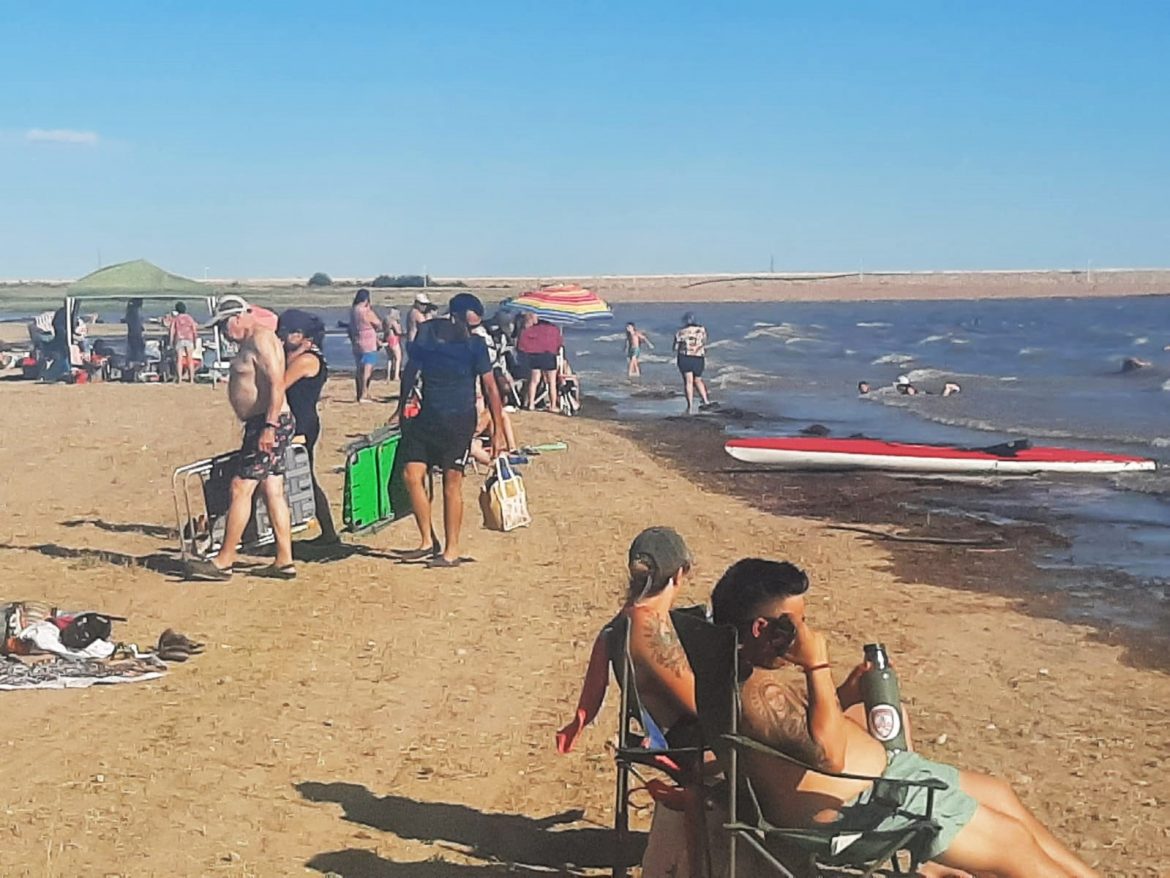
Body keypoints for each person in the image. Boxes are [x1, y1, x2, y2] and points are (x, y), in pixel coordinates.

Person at [709, 559, 1100, 878]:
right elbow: (829, 757)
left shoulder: (740, 672)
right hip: (865, 810)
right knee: (1012, 842)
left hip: (888, 781)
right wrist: (816, 665)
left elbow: (796, 738)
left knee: (999, 793)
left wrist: (844, 695)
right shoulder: (759, 693)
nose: (805, 633)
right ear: (761, 628)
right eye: (794, 625)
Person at [390, 292, 506, 568]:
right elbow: (410, 371)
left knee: (451, 484)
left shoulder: (475, 345)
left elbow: (491, 386)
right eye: (472, 318)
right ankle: (427, 541)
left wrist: (497, 430)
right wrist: (400, 407)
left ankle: (451, 550)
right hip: (427, 417)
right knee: (411, 475)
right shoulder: (429, 334)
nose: (473, 324)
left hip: (459, 420)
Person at [187, 298, 296, 581]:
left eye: (224, 325)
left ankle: (225, 560)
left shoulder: (261, 339)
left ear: (238, 317)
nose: (223, 332)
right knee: (272, 489)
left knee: (240, 488)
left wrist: (269, 426)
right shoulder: (251, 343)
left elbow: (276, 383)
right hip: (263, 422)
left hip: (269, 422)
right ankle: (284, 560)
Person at [278, 308, 339, 545]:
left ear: (305, 337)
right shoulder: (301, 356)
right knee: (300, 476)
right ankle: (328, 532)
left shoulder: (307, 360)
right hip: (301, 420)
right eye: (283, 332)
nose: (284, 337)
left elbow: (280, 383)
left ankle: (329, 533)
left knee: (304, 476)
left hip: (302, 423)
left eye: (291, 333)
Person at [518, 316, 564, 413]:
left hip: (535, 355)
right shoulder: (554, 329)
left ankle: (531, 404)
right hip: (549, 355)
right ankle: (553, 405)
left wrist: (528, 352)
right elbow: (559, 344)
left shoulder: (532, 329)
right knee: (552, 382)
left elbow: (522, 343)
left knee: (534, 381)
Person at [348, 288, 382, 403]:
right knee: (368, 369)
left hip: (357, 341)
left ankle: (359, 393)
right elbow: (378, 323)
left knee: (359, 369)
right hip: (368, 342)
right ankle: (364, 393)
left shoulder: (353, 310)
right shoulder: (366, 311)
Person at [673, 312, 711, 414]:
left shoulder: (680, 332)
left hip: (685, 357)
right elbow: (704, 341)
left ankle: (690, 405)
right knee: (698, 380)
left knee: (688, 382)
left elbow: (675, 347)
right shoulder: (702, 330)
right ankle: (705, 400)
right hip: (698, 357)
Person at [169, 301, 200, 383]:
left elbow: (172, 330)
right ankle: (192, 379)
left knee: (179, 360)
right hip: (189, 339)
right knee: (190, 359)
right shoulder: (189, 318)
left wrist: (171, 341)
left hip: (179, 339)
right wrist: (195, 340)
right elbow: (194, 329)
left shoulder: (176, 319)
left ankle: (179, 379)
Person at [382, 306, 405, 382]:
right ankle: (396, 376)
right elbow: (398, 332)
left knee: (390, 358)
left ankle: (388, 376)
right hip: (394, 339)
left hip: (386, 338)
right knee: (398, 358)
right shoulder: (393, 321)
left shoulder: (385, 320)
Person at [124, 298, 146, 365]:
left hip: (133, 333)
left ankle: (133, 361)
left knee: (134, 348)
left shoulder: (131, 312)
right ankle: (137, 361)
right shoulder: (133, 312)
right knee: (137, 348)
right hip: (135, 334)